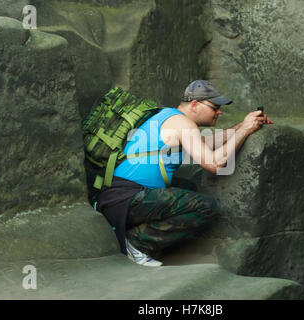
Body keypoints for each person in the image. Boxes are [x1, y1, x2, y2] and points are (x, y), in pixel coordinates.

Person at [96, 80, 273, 267]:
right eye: (215, 107)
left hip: (117, 197)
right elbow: (215, 163)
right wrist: (245, 129)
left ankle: (134, 235)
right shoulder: (183, 123)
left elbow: (209, 142)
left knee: (188, 187)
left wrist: (246, 124)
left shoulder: (169, 116)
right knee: (205, 206)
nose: (219, 112)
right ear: (195, 104)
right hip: (128, 198)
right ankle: (136, 242)